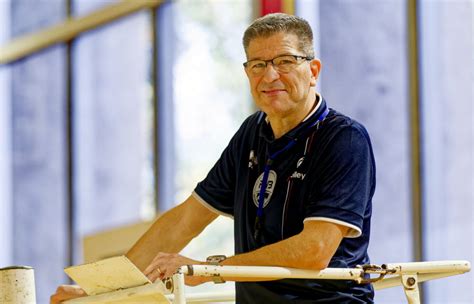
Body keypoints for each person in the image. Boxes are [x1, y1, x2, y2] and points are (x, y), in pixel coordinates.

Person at [51, 13, 375, 303]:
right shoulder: (252, 133)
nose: (270, 76)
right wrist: (101, 291)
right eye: (258, 65)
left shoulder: (344, 139)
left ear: (313, 70)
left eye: (285, 61)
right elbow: (185, 220)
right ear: (247, 74)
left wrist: (209, 269)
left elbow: (315, 250)